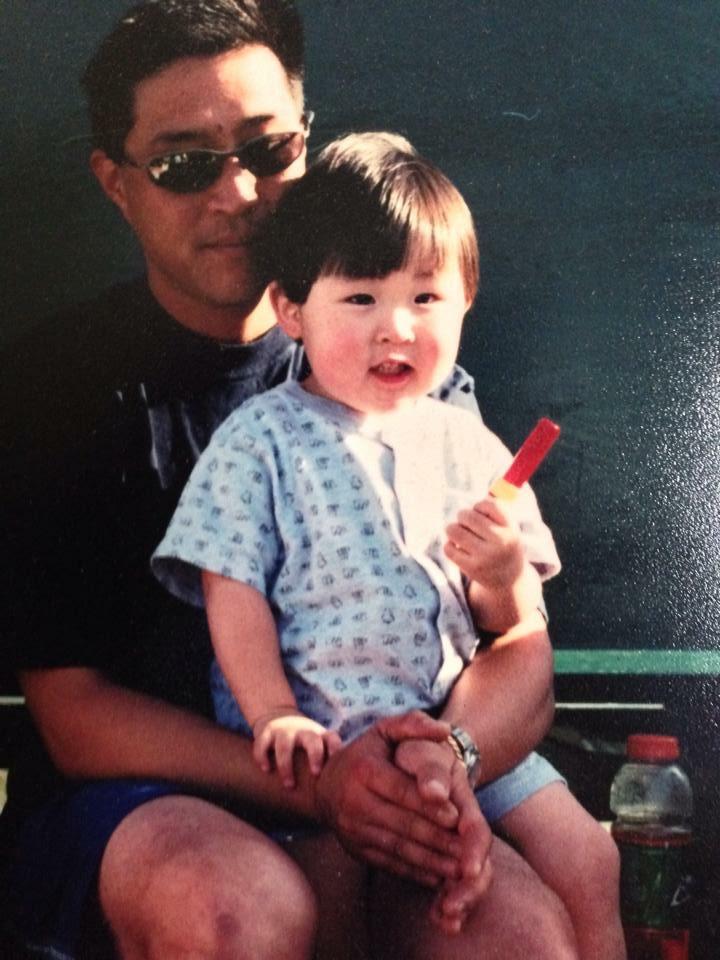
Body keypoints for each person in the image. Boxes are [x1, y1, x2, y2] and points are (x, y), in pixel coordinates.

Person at [0, 1, 617, 959]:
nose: (238, 193)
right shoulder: (54, 390)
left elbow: (517, 640)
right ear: (115, 184)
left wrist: (444, 763)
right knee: (242, 909)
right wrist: (321, 783)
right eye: (182, 164)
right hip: (145, 805)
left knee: (521, 936)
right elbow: (75, 718)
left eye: (268, 150)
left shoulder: (411, 378)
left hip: (395, 777)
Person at [152, 131, 626, 960]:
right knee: (332, 905)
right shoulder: (261, 438)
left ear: (467, 298)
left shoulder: (469, 442)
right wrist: (275, 713)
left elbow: (507, 626)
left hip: (451, 738)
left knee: (590, 856)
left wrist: (504, 573)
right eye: (361, 299)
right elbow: (232, 585)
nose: (396, 328)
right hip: (318, 747)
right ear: (294, 311)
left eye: (426, 298)